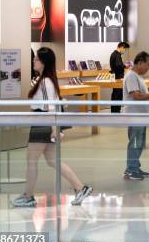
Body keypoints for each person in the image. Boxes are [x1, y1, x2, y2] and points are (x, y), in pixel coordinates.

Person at [12, 47, 93, 208]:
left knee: (32, 160)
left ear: (43, 62)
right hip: (46, 124)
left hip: (43, 124)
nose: (33, 61)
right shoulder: (47, 80)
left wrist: (54, 128)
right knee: (53, 161)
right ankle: (80, 187)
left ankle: (28, 196)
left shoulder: (45, 82)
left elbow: (49, 107)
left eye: (36, 59)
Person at [123, 51, 149, 180]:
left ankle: (135, 166)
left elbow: (141, 94)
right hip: (135, 116)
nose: (148, 67)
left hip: (141, 115)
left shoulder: (138, 76)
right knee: (135, 142)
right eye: (148, 64)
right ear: (139, 62)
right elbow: (136, 95)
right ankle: (131, 169)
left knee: (139, 142)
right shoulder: (131, 76)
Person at [110, 41, 130, 113]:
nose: (125, 51)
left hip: (116, 77)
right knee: (118, 94)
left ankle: (114, 111)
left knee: (115, 94)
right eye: (125, 49)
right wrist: (125, 66)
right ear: (121, 47)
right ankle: (116, 111)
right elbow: (119, 66)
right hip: (118, 77)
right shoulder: (117, 55)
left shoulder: (113, 54)